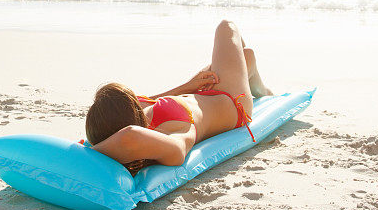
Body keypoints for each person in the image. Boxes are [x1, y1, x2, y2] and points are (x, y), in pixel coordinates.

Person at [84, 20, 273, 175]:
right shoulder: (173, 136)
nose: (137, 102)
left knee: (246, 56)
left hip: (198, 92)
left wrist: (188, 86)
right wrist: (90, 154)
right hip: (232, 99)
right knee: (227, 28)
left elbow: (139, 107)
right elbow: (129, 137)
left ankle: (257, 83)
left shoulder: (133, 114)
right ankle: (262, 91)